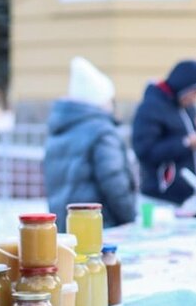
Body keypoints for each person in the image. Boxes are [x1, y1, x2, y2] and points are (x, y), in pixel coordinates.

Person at [42, 56, 137, 230]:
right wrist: (130, 217)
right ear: (102, 100)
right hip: (99, 229)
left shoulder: (59, 128)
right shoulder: (102, 132)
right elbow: (115, 183)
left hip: (65, 228)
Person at [131, 59, 196, 205]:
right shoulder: (151, 108)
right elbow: (145, 151)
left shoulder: (188, 107)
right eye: (194, 92)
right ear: (183, 87)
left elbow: (195, 156)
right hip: (161, 199)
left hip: (191, 197)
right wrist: (187, 142)